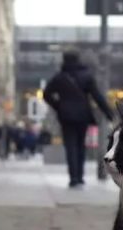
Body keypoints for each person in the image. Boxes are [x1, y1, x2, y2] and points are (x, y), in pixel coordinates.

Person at [44, 52, 114, 187]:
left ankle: (73, 178)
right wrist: (108, 112)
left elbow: (46, 94)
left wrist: (58, 105)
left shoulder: (59, 77)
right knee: (80, 145)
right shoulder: (86, 76)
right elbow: (97, 96)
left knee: (70, 146)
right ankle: (80, 177)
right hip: (83, 116)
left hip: (66, 117)